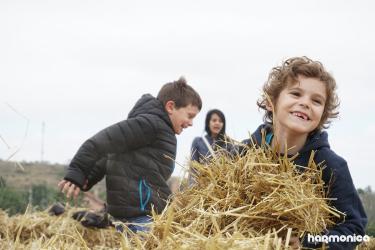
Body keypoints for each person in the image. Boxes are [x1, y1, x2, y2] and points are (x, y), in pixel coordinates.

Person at [242, 56, 367, 249]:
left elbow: (353, 231)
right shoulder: (242, 153)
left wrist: (310, 242)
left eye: (316, 101)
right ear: (270, 102)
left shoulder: (331, 166)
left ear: (322, 115)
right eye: (296, 93)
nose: (305, 103)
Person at [58, 77, 202, 232]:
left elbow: (111, 155)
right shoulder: (149, 125)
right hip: (139, 213)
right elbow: (99, 142)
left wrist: (90, 177)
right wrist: (78, 171)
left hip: (141, 211)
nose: (191, 123)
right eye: (190, 115)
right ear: (170, 107)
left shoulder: (160, 129)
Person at [189, 109, 235, 184]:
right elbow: (193, 168)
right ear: (208, 123)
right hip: (203, 185)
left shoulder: (229, 143)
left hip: (223, 185)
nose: (217, 123)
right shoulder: (198, 142)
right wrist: (192, 187)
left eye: (220, 121)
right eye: (214, 120)